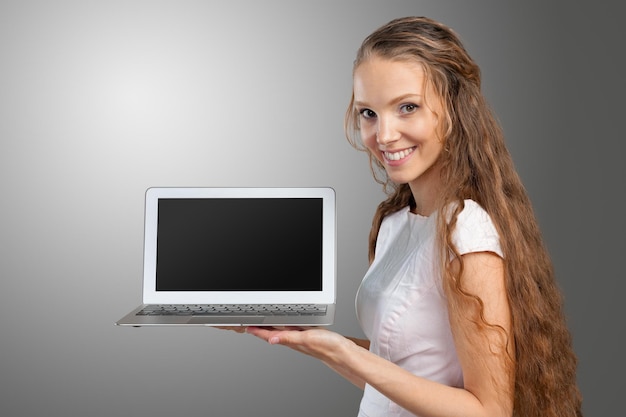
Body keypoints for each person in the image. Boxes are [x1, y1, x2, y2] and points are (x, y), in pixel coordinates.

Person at [229, 16, 583, 417]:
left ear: (453, 110)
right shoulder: (396, 223)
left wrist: (347, 352)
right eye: (368, 113)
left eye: (407, 107)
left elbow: (489, 411)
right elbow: (400, 375)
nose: (383, 135)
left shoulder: (465, 230)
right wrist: (311, 339)